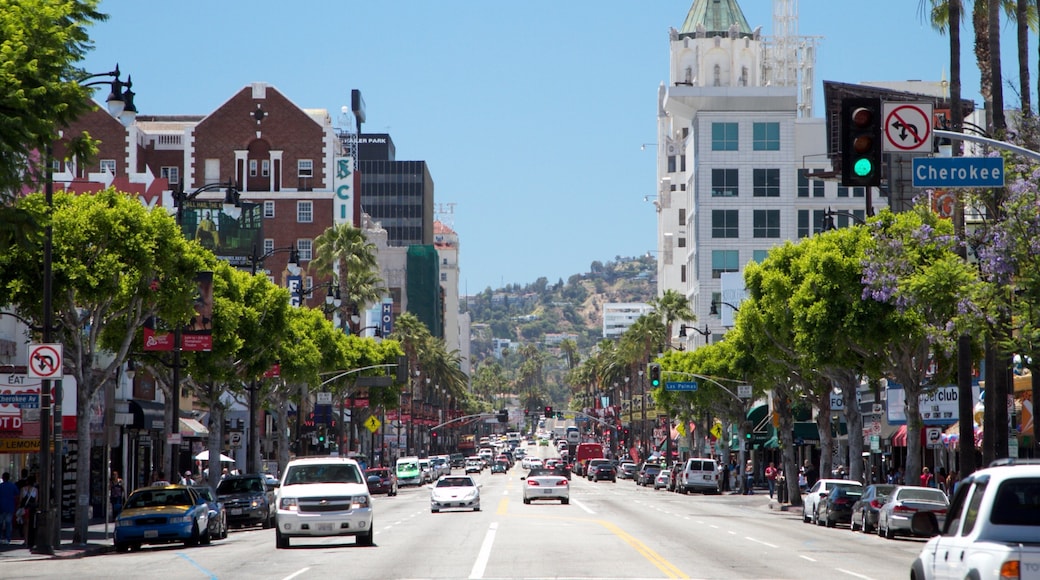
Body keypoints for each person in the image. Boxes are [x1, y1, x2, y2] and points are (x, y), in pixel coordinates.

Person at [0, 472, 19, 544]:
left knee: (0, 523)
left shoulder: (0, 486)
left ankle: (1, 537)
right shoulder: (12, 486)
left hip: (1, 507)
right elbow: (17, 495)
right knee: (8, 523)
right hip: (10, 506)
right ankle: (8, 538)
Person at [19, 475, 38, 548]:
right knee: (32, 525)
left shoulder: (23, 489)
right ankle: (32, 541)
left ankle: (26, 541)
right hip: (32, 510)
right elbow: (36, 501)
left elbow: (20, 500)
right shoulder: (35, 490)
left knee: (25, 525)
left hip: (25, 509)